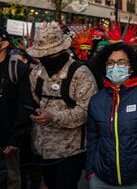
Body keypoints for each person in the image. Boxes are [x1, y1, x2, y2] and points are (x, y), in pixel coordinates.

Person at [27, 22, 98, 189]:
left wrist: (54, 117)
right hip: (42, 148)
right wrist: (33, 113)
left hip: (70, 151)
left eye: (50, 55)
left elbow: (87, 111)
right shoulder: (36, 73)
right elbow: (34, 102)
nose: (46, 60)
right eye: (42, 56)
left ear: (61, 51)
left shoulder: (80, 73)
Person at [86, 42, 137, 188]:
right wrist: (91, 171)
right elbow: (92, 138)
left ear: (131, 65)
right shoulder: (96, 100)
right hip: (102, 179)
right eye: (110, 63)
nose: (115, 66)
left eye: (121, 62)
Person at [0, 29, 33, 189]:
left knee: (12, 179)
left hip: (8, 142)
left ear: (4, 43)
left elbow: (25, 105)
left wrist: (15, 140)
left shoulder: (17, 68)